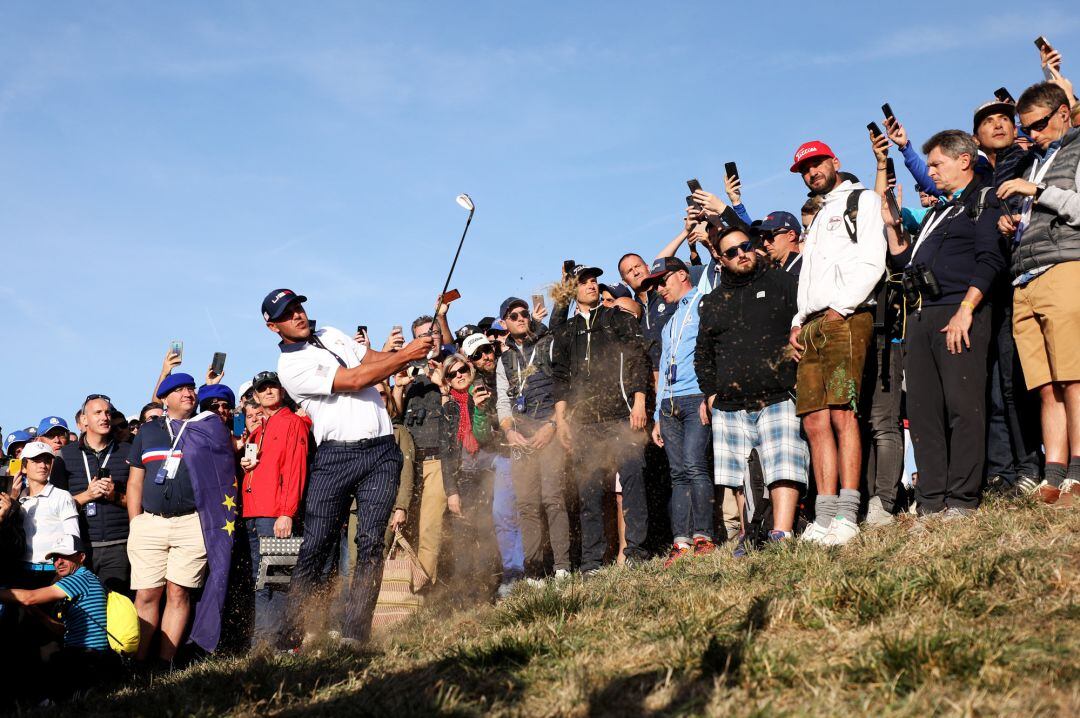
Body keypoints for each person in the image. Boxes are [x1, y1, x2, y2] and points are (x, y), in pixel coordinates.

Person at [263, 288, 433, 649]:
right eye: (287, 312)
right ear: (272, 325)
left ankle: (355, 634)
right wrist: (404, 356)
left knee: (371, 543)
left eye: (298, 307)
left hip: (381, 452)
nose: (297, 315)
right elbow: (357, 378)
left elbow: (372, 358)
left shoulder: (330, 333)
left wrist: (410, 353)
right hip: (335, 458)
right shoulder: (290, 366)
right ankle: (288, 639)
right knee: (316, 547)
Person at [891, 130, 1005, 517]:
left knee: (963, 406)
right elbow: (906, 264)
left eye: (937, 164)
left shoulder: (984, 201)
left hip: (959, 311)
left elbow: (991, 259)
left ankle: (962, 498)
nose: (932, 172)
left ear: (964, 160)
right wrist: (893, 227)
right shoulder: (939, 211)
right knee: (924, 412)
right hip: (920, 317)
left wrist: (967, 309)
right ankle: (930, 500)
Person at [787, 140, 886, 545]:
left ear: (834, 162)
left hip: (845, 317)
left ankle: (847, 511)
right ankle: (824, 513)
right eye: (805, 169)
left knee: (843, 412)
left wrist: (841, 308)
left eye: (816, 164)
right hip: (810, 323)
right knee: (813, 418)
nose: (812, 172)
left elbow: (872, 257)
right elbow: (809, 276)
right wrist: (797, 321)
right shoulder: (820, 213)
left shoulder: (860, 200)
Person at [695, 227, 808, 550]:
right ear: (720, 258)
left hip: (778, 391)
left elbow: (804, 321)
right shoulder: (713, 301)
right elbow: (703, 352)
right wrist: (711, 392)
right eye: (731, 251)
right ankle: (749, 534)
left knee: (784, 465)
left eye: (745, 246)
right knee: (739, 477)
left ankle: (781, 532)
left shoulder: (782, 282)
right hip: (730, 401)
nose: (741, 253)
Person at [998, 82, 1080, 505]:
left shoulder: (1077, 148)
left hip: (1065, 268)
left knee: (1073, 377)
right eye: (1026, 128)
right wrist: (1014, 223)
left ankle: (1078, 474)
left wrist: (1037, 192)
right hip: (1025, 277)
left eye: (1040, 125)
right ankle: (1055, 474)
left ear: (1064, 112)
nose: (1032, 134)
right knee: (1045, 386)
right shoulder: (1033, 162)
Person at [126, 371, 237, 664]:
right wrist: (135, 521)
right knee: (147, 594)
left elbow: (223, 469)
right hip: (149, 523)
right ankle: (138, 664)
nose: (188, 393)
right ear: (164, 399)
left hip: (191, 523)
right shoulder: (147, 432)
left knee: (178, 593)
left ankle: (165, 664)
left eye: (191, 388)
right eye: (179, 389)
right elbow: (135, 481)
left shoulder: (209, 427)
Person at [551, 264, 651, 572]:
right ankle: (592, 562)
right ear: (574, 291)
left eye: (594, 280)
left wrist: (639, 402)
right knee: (589, 492)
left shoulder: (617, 318)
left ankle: (636, 553)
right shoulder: (566, 332)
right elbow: (561, 377)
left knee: (633, 482)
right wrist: (562, 420)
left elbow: (637, 359)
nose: (592, 285)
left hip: (621, 415)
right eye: (584, 282)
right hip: (583, 423)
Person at [640, 257, 715, 566]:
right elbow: (661, 365)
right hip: (669, 404)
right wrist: (657, 413)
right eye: (655, 283)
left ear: (683, 275)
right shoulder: (670, 320)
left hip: (695, 395)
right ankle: (680, 542)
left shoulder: (703, 300)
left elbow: (712, 349)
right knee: (678, 473)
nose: (658, 288)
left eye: (662, 280)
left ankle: (703, 536)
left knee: (695, 465)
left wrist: (709, 393)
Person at [494, 297, 572, 583]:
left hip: (548, 430)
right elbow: (502, 402)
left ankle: (562, 568)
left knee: (553, 499)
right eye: (513, 315)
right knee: (526, 505)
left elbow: (564, 385)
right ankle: (535, 572)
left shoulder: (547, 343)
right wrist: (509, 431)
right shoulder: (503, 360)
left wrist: (552, 424)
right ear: (504, 322)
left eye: (524, 313)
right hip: (520, 437)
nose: (520, 318)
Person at [239, 370, 310, 647]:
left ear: (282, 391)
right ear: (255, 396)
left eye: (273, 387)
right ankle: (262, 641)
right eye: (263, 388)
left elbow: (296, 469)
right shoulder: (256, 432)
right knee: (261, 581)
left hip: (277, 514)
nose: (268, 391)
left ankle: (277, 643)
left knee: (277, 580)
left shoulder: (293, 422)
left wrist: (287, 512)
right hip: (253, 514)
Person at [0, 535, 116, 698]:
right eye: (55, 558)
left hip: (88, 658)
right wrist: (39, 614)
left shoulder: (79, 579)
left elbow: (29, 597)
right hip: (89, 656)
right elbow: (64, 631)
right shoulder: (89, 578)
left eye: (65, 556)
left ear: (81, 557)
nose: (58, 562)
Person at [49, 394, 132, 594]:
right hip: (80, 548)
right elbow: (53, 507)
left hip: (119, 545)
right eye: (98, 412)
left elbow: (143, 503)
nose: (104, 417)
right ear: (84, 420)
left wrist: (115, 497)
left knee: (116, 607)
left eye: (107, 412)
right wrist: (87, 495)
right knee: (82, 608)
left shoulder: (129, 452)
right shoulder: (64, 456)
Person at [462, 330, 524, 595]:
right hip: (504, 456)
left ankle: (549, 566)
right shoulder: (476, 389)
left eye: (487, 349)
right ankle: (514, 572)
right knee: (502, 513)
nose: (486, 356)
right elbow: (483, 434)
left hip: (532, 442)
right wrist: (479, 411)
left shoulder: (512, 367)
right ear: (471, 361)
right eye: (478, 355)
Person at [436, 353, 501, 600]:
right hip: (462, 477)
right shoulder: (448, 408)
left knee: (487, 533)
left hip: (488, 474)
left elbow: (493, 432)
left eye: (462, 369)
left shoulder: (483, 395)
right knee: (463, 538)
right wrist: (451, 491)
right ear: (448, 381)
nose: (459, 375)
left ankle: (487, 591)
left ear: (469, 369)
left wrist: (483, 407)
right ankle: (464, 596)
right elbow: (445, 451)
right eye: (452, 374)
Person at [400, 314, 454, 581]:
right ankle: (402, 592)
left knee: (430, 530)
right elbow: (394, 416)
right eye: (423, 334)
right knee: (405, 527)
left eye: (433, 333)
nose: (430, 338)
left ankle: (423, 590)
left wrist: (442, 384)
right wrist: (397, 388)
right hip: (408, 463)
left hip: (437, 459)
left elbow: (458, 410)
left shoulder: (453, 364)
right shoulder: (407, 371)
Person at [15, 441, 81, 587]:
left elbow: (73, 538)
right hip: (22, 572)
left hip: (54, 573)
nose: (43, 465)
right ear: (24, 467)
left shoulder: (62, 496)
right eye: (36, 460)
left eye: (47, 461)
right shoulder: (18, 499)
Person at [757, 212, 803, 276]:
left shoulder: (807, 268)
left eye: (769, 236)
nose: (765, 244)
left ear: (791, 235)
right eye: (763, 238)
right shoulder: (774, 270)